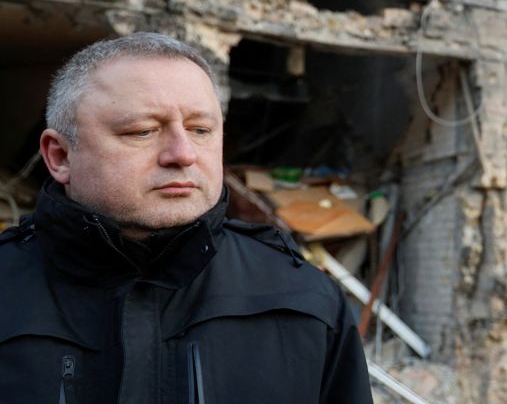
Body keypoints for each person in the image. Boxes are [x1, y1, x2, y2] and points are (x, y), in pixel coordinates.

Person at [0, 32, 373, 404]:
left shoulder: (305, 298)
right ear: (60, 156)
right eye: (143, 131)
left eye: (200, 130)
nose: (183, 154)